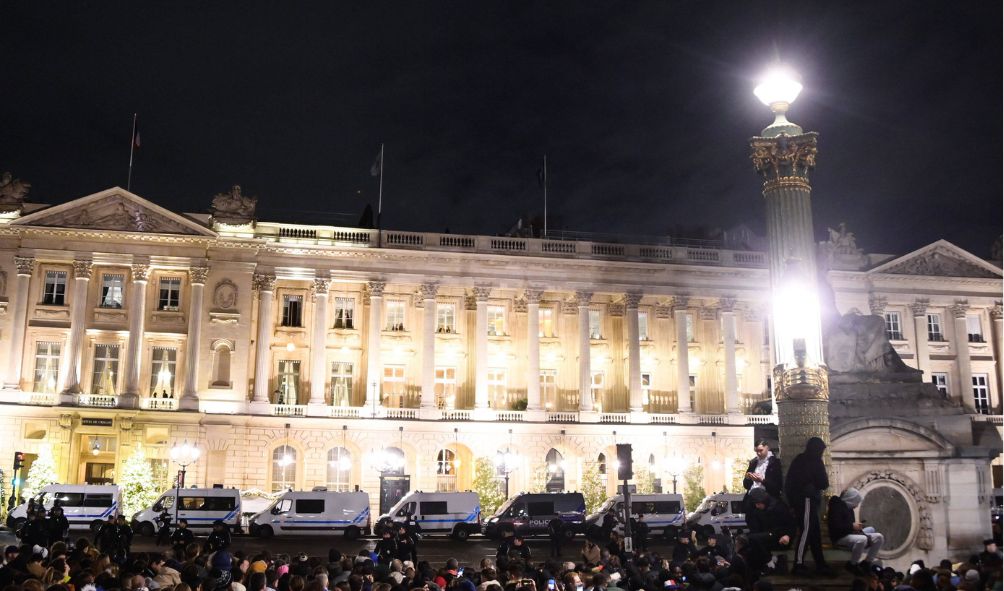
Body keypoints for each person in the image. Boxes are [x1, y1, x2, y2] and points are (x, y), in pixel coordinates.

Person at [784, 436, 835, 577]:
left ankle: (820, 563)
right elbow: (824, 482)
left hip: (801, 501)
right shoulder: (814, 461)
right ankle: (798, 563)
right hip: (807, 500)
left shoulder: (799, 460)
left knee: (814, 533)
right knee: (807, 531)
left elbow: (789, 484)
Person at [827, 488, 885, 574]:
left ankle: (866, 563)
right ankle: (852, 564)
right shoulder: (836, 507)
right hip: (839, 538)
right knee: (862, 539)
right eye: (856, 502)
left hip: (849, 534)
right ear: (851, 499)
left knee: (879, 537)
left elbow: (850, 526)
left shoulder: (849, 509)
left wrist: (857, 528)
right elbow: (836, 528)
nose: (856, 506)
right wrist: (852, 526)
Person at [744, 488, 796, 580]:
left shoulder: (778, 506)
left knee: (753, 538)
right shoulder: (758, 510)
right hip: (767, 536)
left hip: (780, 536)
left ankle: (770, 563)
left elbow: (791, 524)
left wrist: (788, 535)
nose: (757, 506)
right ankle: (768, 563)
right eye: (755, 504)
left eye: (758, 503)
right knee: (749, 542)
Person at [742, 441, 783, 510]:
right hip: (753, 500)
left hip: (768, 501)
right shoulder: (753, 462)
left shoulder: (774, 463)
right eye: (756, 451)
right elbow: (746, 485)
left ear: (767, 448)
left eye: (761, 450)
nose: (758, 453)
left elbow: (777, 486)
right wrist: (748, 477)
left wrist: (762, 481)